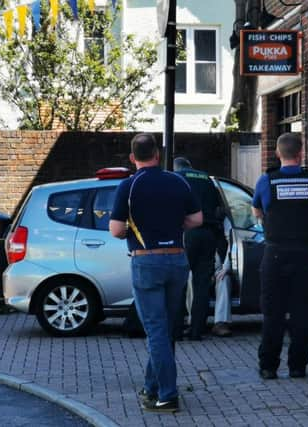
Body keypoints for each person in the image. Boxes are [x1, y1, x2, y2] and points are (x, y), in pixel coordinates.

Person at [109, 133, 202, 413]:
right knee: (167, 329)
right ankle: (151, 388)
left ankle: (167, 395)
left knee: (156, 332)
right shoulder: (177, 180)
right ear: (158, 155)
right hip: (177, 259)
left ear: (132, 157)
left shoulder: (129, 185)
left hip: (146, 261)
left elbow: (115, 229)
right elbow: (197, 219)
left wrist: (132, 230)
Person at [252, 133, 308, 380]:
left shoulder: (267, 181)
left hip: (275, 253)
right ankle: (298, 366)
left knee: (273, 312)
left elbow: (257, 210)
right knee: (303, 311)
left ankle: (269, 366)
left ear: (277, 154)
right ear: (301, 153)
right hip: (306, 253)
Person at [173, 157, 224, 340]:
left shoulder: (176, 178)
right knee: (202, 285)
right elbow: (220, 209)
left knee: (179, 283)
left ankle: (176, 330)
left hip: (186, 234)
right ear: (190, 165)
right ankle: (197, 331)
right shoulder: (206, 179)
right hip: (208, 234)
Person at [211, 217, 233, 337]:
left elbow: (231, 241)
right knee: (190, 278)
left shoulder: (224, 218)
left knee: (223, 280)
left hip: (220, 265)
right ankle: (192, 322)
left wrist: (226, 267)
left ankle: (220, 322)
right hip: (200, 267)